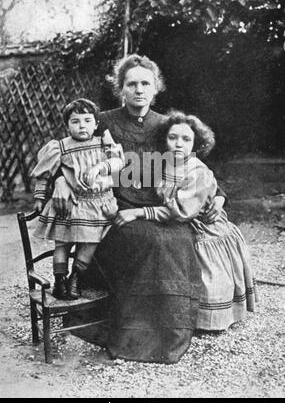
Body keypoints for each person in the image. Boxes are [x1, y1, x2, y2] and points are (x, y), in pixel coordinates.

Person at [52, 54, 227, 364]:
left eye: (145, 83)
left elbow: (195, 168)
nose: (138, 89)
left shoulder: (167, 126)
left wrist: (219, 197)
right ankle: (134, 334)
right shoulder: (102, 121)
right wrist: (61, 183)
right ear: (121, 88)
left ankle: (172, 328)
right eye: (131, 83)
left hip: (163, 209)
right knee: (147, 241)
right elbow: (69, 151)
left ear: (156, 87)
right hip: (115, 211)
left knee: (175, 240)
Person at [138, 110, 257, 331]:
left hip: (205, 224)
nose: (178, 144)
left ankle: (212, 319)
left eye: (186, 139)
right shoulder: (162, 164)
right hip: (181, 218)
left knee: (209, 273)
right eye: (172, 138)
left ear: (196, 144)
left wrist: (219, 198)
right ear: (164, 140)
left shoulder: (196, 170)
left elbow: (183, 211)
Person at [31, 98, 123, 300]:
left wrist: (101, 167)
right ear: (67, 125)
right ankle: (60, 280)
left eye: (87, 120)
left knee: (90, 243)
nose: (82, 125)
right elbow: (45, 173)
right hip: (69, 204)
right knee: (62, 244)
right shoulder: (60, 147)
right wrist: (39, 196)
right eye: (75, 121)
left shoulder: (103, 143)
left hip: (98, 203)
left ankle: (76, 278)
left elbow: (118, 162)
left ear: (96, 124)